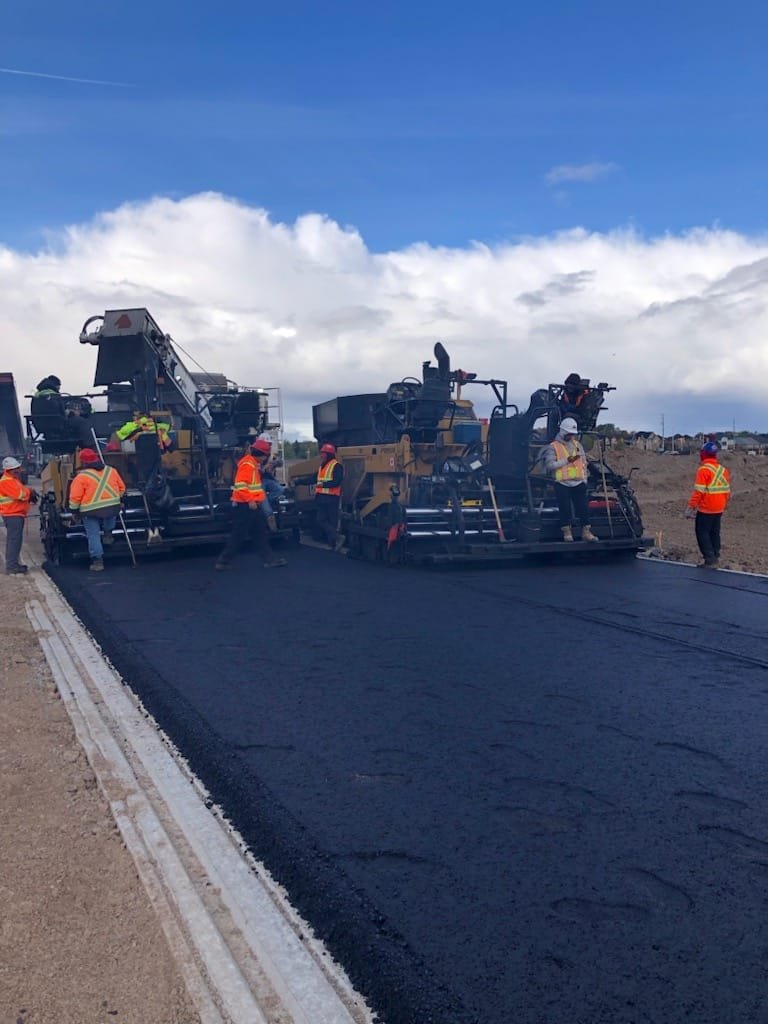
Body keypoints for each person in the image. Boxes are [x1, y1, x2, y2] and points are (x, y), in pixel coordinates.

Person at [215, 439, 286, 570]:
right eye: (265, 455)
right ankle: (223, 561)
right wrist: (250, 500)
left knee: (259, 533)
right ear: (261, 455)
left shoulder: (252, 464)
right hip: (245, 506)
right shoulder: (248, 465)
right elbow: (240, 485)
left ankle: (270, 559)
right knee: (238, 535)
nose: (266, 458)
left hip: (251, 505)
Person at [68, 448, 127, 572]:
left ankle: (98, 562)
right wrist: (117, 499)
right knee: (110, 515)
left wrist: (74, 512)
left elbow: (75, 497)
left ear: (83, 462)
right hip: (112, 506)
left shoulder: (81, 477)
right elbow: (122, 488)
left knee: (93, 535)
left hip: (90, 510)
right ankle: (108, 535)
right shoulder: (112, 471)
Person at [542, 417, 598, 542]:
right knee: (565, 509)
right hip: (562, 483)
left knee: (583, 508)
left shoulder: (577, 446)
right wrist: (567, 460)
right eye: (569, 434)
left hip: (578, 483)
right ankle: (567, 533)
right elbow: (550, 466)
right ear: (562, 432)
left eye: (572, 434)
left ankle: (586, 532)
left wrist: (584, 480)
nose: (571, 436)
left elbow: (583, 463)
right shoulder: (553, 447)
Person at [685, 441, 731, 568]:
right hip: (719, 507)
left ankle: (709, 559)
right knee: (715, 532)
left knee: (702, 532)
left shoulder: (703, 470)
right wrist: (723, 504)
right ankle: (715, 555)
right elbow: (727, 491)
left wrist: (691, 507)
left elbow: (698, 492)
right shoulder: (723, 470)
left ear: (703, 454)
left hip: (707, 508)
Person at [0, 456, 36, 575]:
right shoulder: (6, 481)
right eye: (16, 468)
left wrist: (28, 491)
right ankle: (11, 566)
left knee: (16, 540)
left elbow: (21, 492)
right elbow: (20, 494)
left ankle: (14, 564)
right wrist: (29, 492)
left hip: (15, 514)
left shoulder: (12, 479)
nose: (19, 470)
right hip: (12, 514)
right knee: (14, 540)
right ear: (9, 470)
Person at [314, 443, 344, 547]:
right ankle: (336, 538)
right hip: (322, 498)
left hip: (331, 499)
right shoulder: (322, 466)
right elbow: (314, 478)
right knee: (321, 520)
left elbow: (337, 481)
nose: (321, 455)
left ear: (329, 454)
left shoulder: (336, 466)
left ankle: (334, 543)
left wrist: (323, 484)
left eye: (323, 453)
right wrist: (298, 482)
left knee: (331, 522)